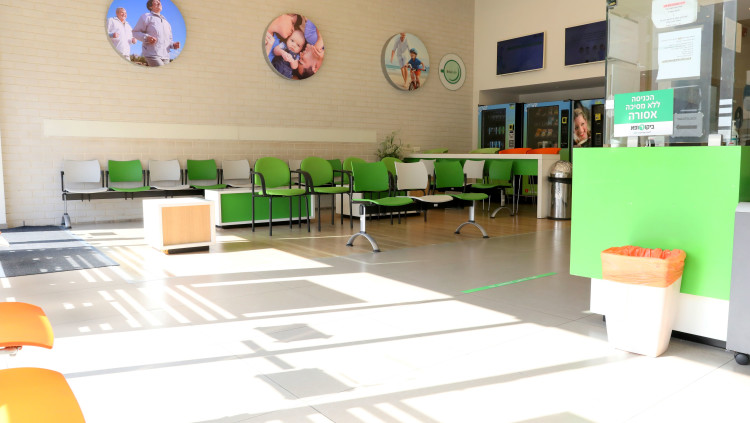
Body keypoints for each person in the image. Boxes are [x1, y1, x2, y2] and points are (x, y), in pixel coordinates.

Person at [132, 0, 181, 67]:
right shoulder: (146, 16)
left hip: (166, 56)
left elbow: (169, 39)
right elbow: (135, 32)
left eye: (159, 1)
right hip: (152, 54)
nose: (159, 2)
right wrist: (147, 38)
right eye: (156, 1)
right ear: (150, 6)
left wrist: (173, 45)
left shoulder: (166, 22)